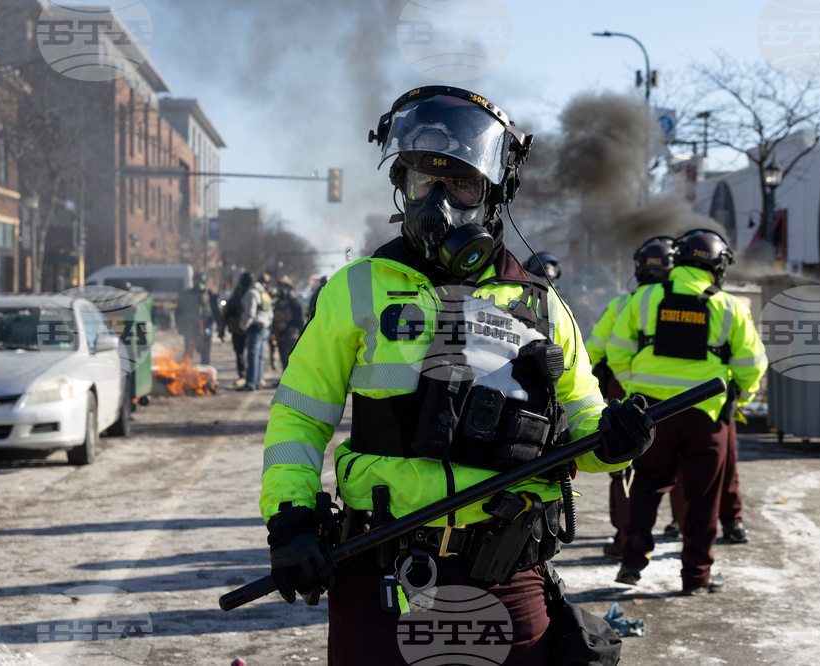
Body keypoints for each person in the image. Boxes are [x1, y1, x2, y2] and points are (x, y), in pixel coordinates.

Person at [259, 86, 656, 665]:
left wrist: (618, 441)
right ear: (402, 184)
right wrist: (291, 518)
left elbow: (586, 428)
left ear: (496, 191)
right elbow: (299, 415)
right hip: (381, 573)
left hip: (508, 575)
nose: (439, 201)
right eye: (425, 180)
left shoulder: (542, 306)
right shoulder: (356, 288)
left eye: (462, 183)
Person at [606, 228, 767, 595]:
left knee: (645, 485)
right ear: (718, 266)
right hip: (704, 416)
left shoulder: (645, 298)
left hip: (652, 413)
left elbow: (617, 351)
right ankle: (696, 576)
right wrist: (738, 399)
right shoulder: (729, 306)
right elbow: (752, 364)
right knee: (703, 498)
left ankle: (631, 563)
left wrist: (636, 390)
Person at [584, 236, 676, 560]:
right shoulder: (687, 302)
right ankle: (679, 526)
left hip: (623, 392)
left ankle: (624, 536)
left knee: (623, 465)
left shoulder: (623, 304)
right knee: (678, 463)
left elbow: (594, 350)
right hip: (671, 396)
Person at [238, 272, 274, 391]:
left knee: (252, 357)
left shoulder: (251, 293)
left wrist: (243, 326)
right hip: (265, 328)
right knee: (259, 357)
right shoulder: (263, 292)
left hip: (256, 329)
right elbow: (270, 312)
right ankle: (257, 382)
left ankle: (251, 384)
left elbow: (250, 313)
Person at [223, 273, 251, 387]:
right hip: (239, 329)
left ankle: (246, 376)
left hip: (244, 329)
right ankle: (244, 375)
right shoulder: (244, 294)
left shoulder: (248, 294)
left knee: (246, 354)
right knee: (243, 354)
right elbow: (227, 312)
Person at [271, 276, 304, 372]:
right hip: (279, 334)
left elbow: (300, 320)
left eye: (284, 286)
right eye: (280, 286)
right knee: (283, 359)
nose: (281, 289)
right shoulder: (276, 301)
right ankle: (285, 377)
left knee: (291, 359)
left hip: (291, 334)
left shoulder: (295, 301)